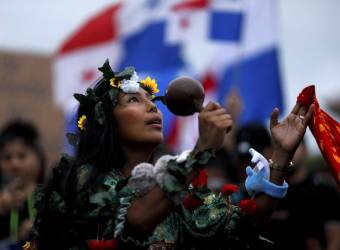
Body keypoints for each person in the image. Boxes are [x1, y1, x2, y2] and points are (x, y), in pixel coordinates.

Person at [26, 60, 313, 250]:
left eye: (152, 100)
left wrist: (279, 157)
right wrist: (202, 149)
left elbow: (242, 225)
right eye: (134, 100)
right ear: (104, 120)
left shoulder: (177, 191)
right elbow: (136, 218)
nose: (153, 108)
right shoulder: (82, 178)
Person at [0, 120, 46, 248]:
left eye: (22, 156)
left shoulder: (51, 192)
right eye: (7, 158)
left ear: (39, 157)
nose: (14, 163)